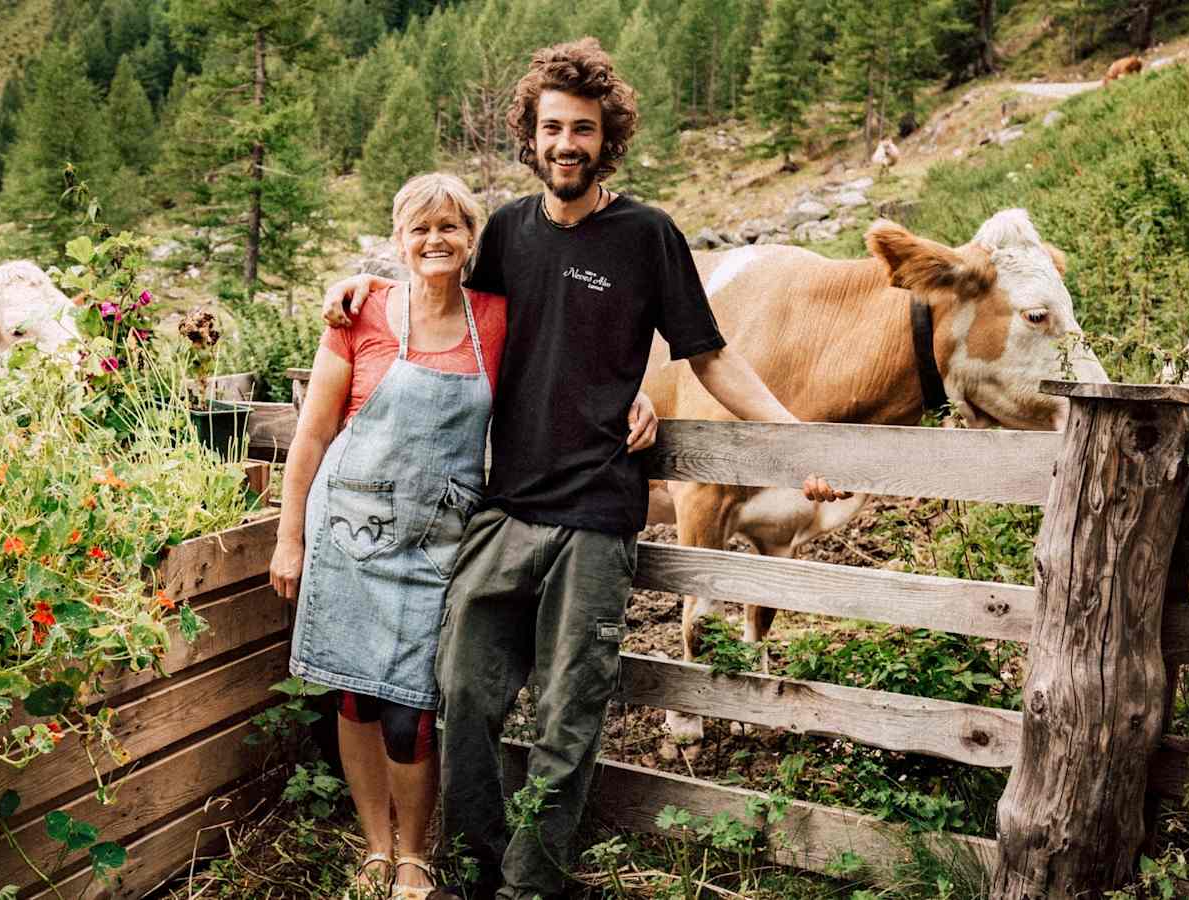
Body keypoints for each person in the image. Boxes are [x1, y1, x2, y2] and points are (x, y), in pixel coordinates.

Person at [321, 40, 846, 900]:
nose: (567, 142)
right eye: (552, 127)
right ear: (530, 135)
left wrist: (801, 441)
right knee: (463, 696)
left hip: (598, 521)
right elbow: (435, 294)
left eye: (585, 130)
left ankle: (530, 884)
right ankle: (488, 862)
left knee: (569, 721)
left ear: (608, 139)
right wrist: (361, 286)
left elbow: (710, 358)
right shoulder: (506, 239)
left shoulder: (647, 236)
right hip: (505, 510)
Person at [271, 172, 660, 900]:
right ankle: (375, 849)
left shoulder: (496, 317)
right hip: (350, 533)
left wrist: (629, 394)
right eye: (420, 228)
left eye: (451, 226)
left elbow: (566, 369)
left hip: (438, 542)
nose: (435, 240)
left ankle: (415, 856)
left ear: (472, 238)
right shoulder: (359, 316)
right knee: (354, 696)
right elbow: (314, 431)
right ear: (397, 241)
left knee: (413, 702)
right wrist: (289, 537)